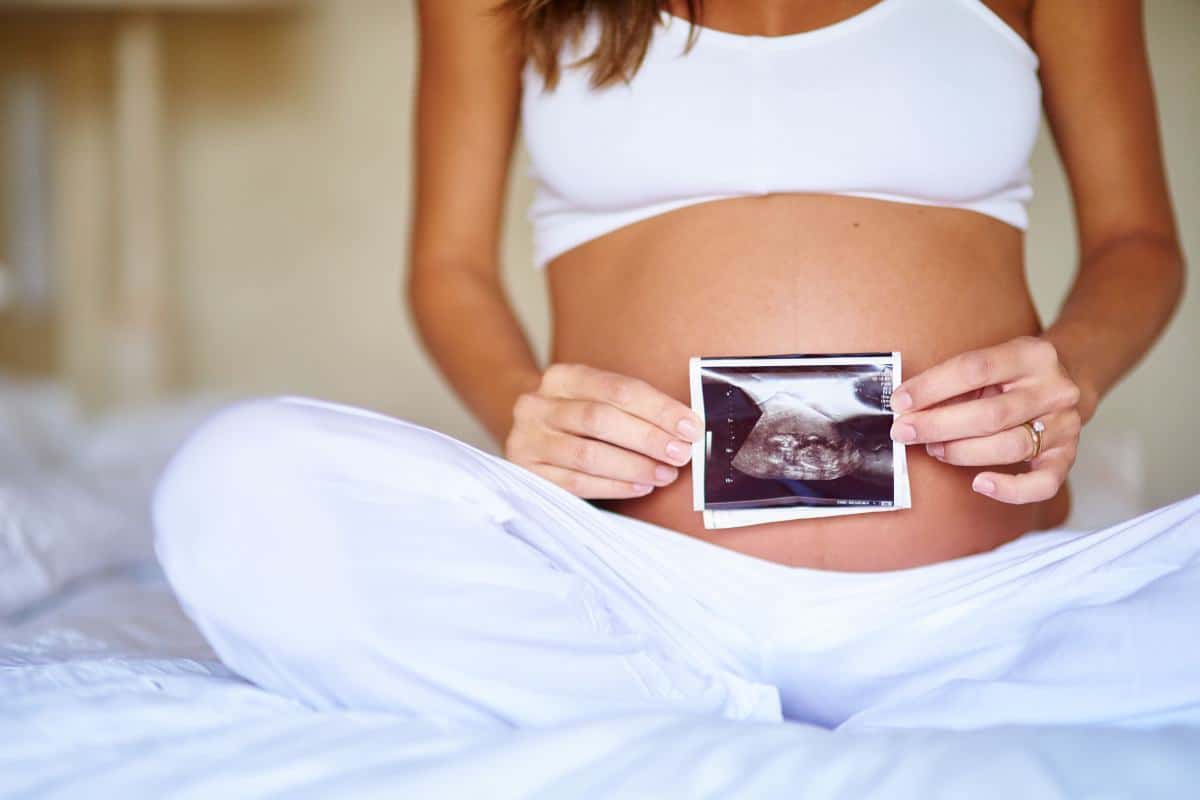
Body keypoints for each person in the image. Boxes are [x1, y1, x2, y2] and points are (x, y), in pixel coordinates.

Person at [154, 0, 1200, 731]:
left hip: (984, 598)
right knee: (232, 481)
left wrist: (1074, 369)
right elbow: (447, 269)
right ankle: (696, 701)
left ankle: (927, 688)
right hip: (638, 598)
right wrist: (525, 408)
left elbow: (1139, 243)